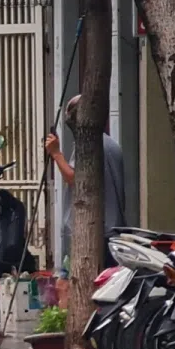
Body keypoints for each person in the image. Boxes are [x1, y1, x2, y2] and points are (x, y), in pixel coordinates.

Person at [45, 93, 127, 265]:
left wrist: (56, 153)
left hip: (97, 233)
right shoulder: (112, 145)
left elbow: (75, 179)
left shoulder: (90, 146)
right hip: (111, 231)